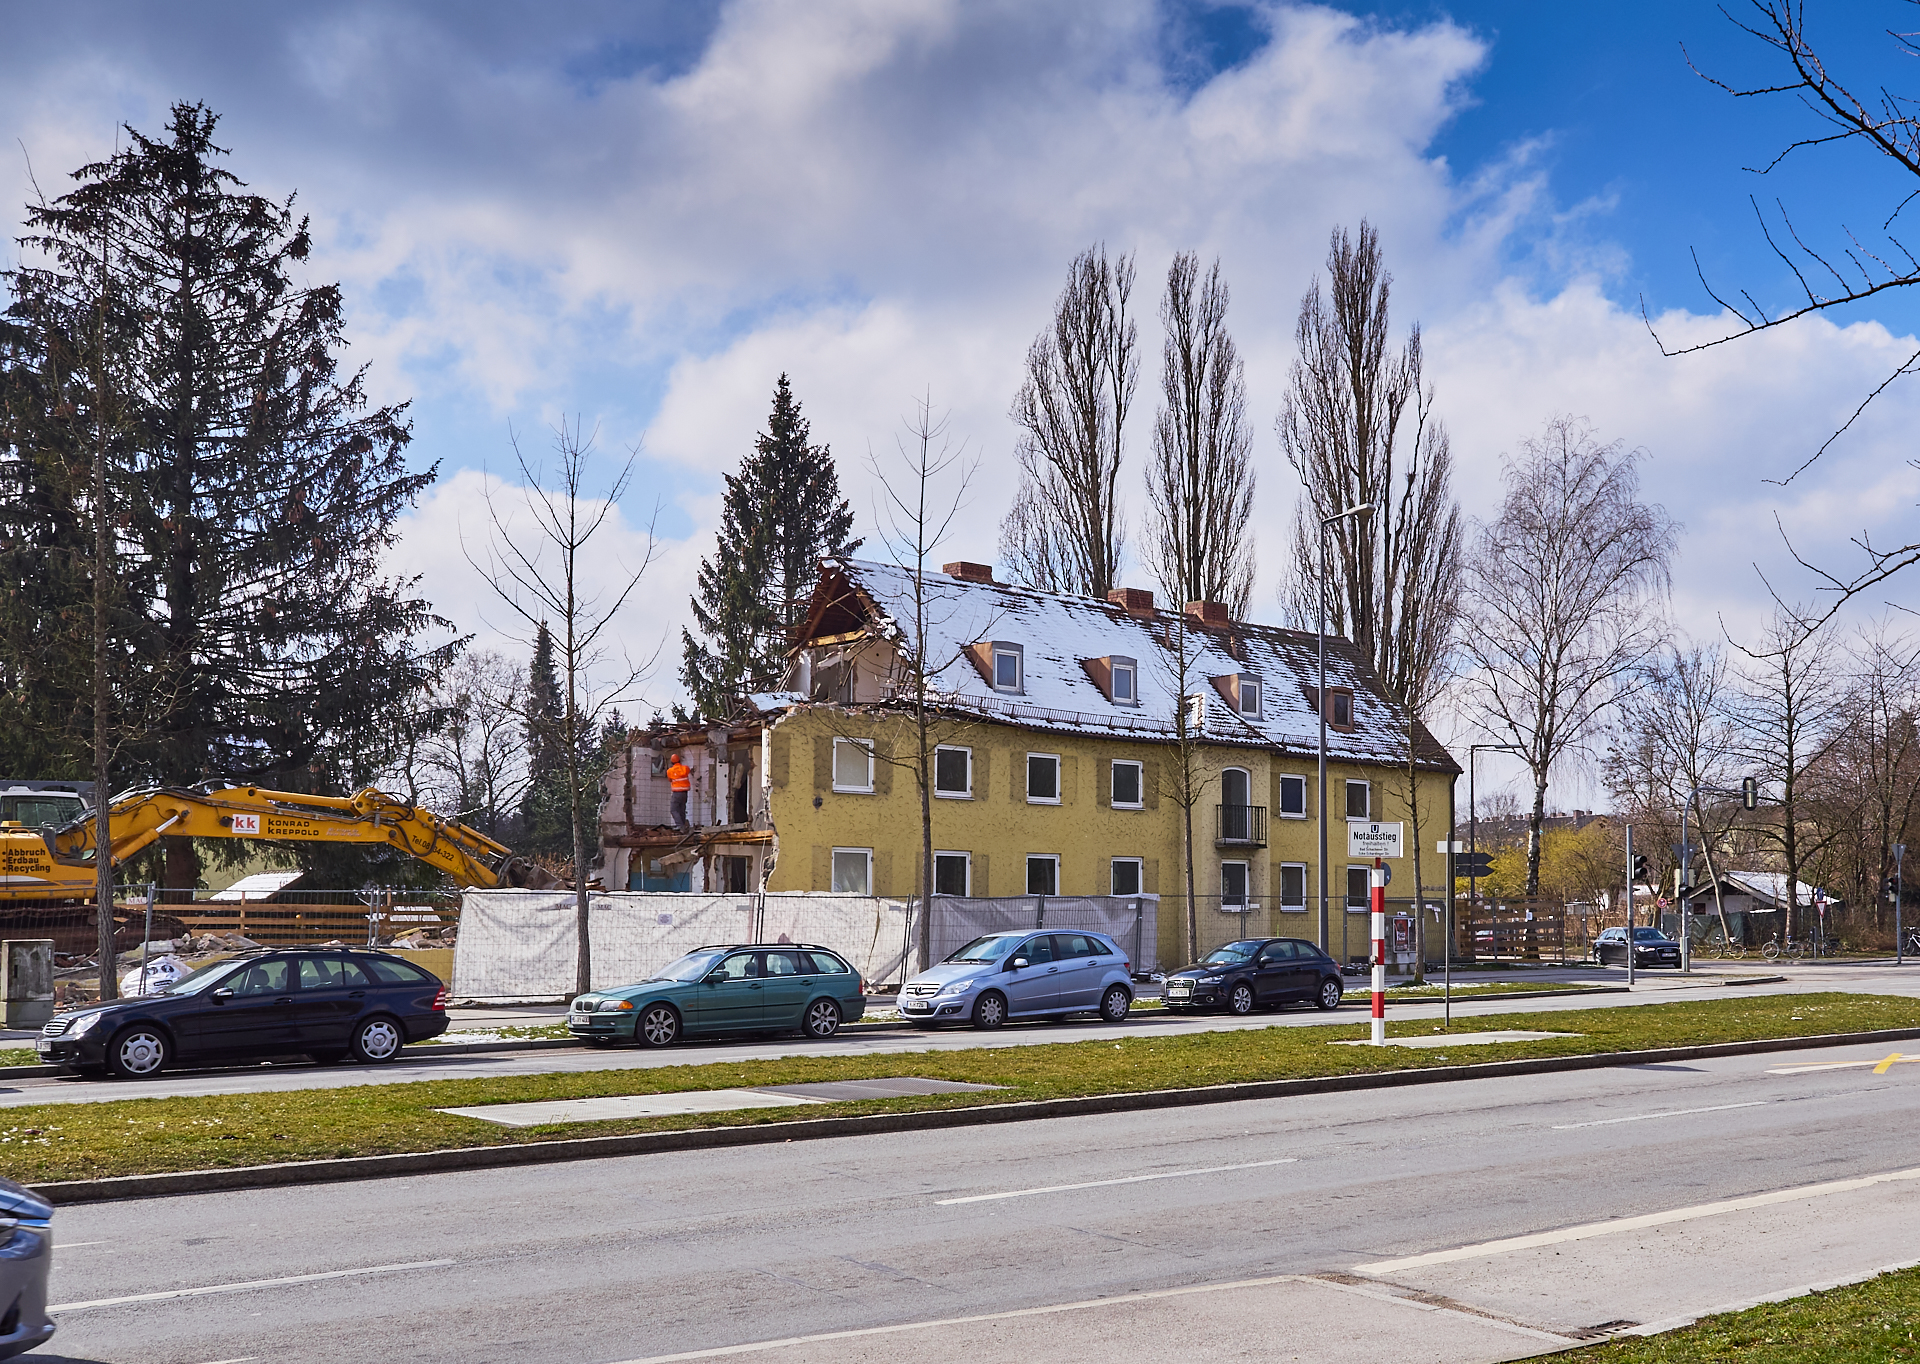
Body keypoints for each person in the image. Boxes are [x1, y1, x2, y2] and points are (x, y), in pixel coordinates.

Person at [667, 752, 692, 831]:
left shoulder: (670, 771)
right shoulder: (685, 768)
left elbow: (670, 780)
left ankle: (680, 825)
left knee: (673, 809)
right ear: (680, 760)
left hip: (676, 793)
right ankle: (683, 825)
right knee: (682, 809)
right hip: (685, 793)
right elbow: (687, 772)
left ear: (671, 762)